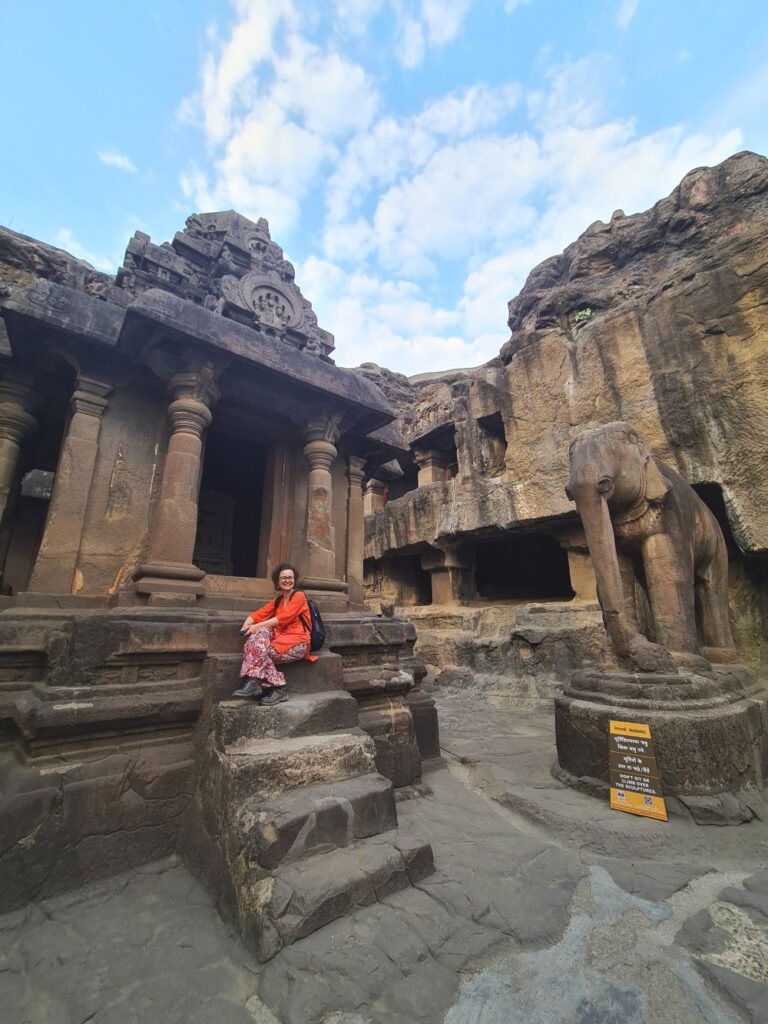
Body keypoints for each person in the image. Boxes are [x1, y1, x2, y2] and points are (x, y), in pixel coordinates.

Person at [232, 563, 317, 705]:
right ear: (278, 581)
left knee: (259, 650)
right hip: (279, 640)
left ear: (294, 580)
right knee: (258, 637)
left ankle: (274, 686)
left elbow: (285, 618)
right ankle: (260, 683)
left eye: (290, 578)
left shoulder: (299, 596)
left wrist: (256, 626)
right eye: (283, 578)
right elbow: (260, 613)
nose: (287, 580)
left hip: (298, 642)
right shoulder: (278, 600)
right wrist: (248, 623)